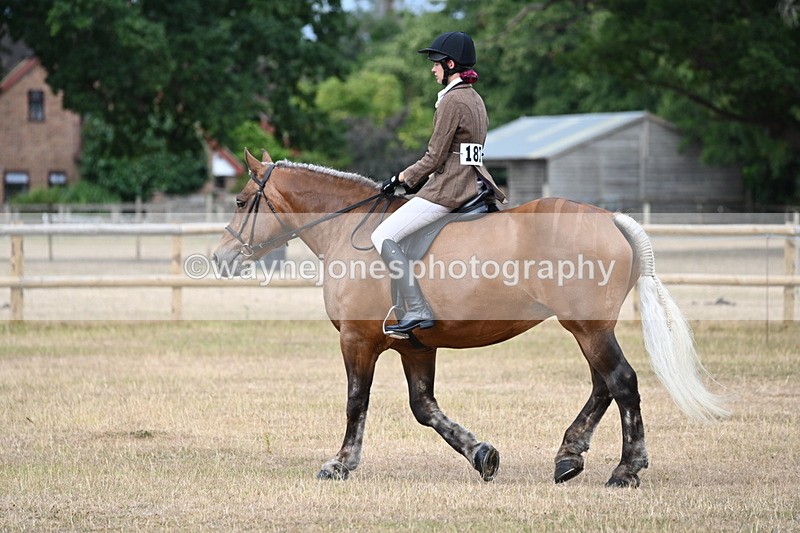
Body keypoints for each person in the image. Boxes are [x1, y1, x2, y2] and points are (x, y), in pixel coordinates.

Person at [371, 31, 507, 336]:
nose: (432, 69)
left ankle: (417, 308)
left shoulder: (452, 101)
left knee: (383, 235)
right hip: (475, 182)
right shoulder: (474, 98)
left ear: (449, 64)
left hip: (451, 189)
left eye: (435, 63)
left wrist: (401, 179)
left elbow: (433, 158)